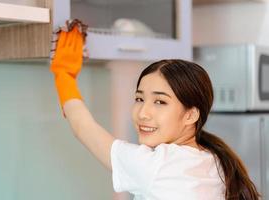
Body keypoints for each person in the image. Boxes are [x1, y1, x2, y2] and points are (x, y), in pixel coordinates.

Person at [50, 21, 260, 200]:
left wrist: (64, 75)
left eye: (160, 102)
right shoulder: (212, 158)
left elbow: (83, 128)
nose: (143, 112)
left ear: (191, 114)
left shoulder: (160, 165)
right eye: (139, 98)